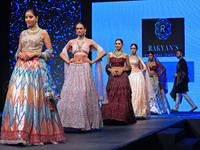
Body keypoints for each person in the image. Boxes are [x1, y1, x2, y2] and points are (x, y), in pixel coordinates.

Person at [0, 9, 66, 145]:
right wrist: (19, 54)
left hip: (36, 68)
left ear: (36, 18)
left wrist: (36, 54)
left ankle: (36, 133)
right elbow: (18, 49)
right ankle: (18, 132)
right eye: (26, 17)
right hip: (21, 67)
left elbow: (51, 52)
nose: (28, 20)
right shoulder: (22, 33)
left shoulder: (43, 32)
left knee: (35, 98)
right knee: (18, 97)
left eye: (30, 17)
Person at [57, 22, 107, 131]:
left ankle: (85, 123)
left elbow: (103, 52)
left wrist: (92, 61)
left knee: (85, 92)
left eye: (81, 28)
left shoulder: (89, 41)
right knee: (72, 93)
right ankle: (71, 122)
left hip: (85, 68)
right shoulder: (72, 41)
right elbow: (62, 53)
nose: (79, 30)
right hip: (74, 68)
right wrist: (68, 61)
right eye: (77, 29)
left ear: (85, 30)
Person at [101, 39, 136, 125]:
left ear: (122, 45)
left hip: (122, 77)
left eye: (119, 44)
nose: (117, 45)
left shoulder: (125, 55)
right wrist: (110, 70)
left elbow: (129, 67)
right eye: (116, 44)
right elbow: (107, 66)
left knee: (122, 96)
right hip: (112, 77)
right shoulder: (110, 54)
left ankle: (122, 117)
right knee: (111, 95)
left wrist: (122, 69)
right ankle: (108, 117)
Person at [128, 44, 154, 119]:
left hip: (138, 75)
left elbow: (144, 66)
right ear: (130, 49)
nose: (133, 50)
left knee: (138, 93)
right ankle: (131, 111)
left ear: (137, 49)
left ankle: (138, 111)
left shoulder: (138, 57)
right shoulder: (128, 57)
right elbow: (125, 66)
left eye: (134, 48)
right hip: (130, 76)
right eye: (132, 48)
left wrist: (141, 71)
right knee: (131, 93)